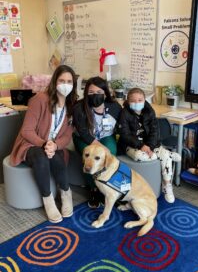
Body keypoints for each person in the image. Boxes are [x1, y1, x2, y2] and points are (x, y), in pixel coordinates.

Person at [10, 65, 78, 223]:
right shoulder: (39, 99)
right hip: (32, 145)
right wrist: (45, 144)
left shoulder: (72, 106)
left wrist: (54, 145)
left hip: (54, 146)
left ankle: (66, 193)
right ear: (55, 82)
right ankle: (48, 200)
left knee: (57, 158)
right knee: (41, 157)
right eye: (62, 80)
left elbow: (67, 136)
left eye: (69, 81)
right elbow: (26, 131)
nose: (65, 84)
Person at [118, 87, 181, 203]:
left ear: (144, 99)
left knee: (154, 155)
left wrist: (150, 147)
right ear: (128, 101)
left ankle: (167, 185)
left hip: (149, 145)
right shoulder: (124, 113)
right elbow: (125, 135)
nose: (137, 103)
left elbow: (154, 131)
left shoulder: (149, 110)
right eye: (133, 100)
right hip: (131, 146)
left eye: (140, 100)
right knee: (145, 156)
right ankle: (167, 154)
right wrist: (141, 146)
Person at [72, 76, 122, 208]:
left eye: (99, 92)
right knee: (89, 156)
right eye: (91, 93)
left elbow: (122, 125)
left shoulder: (114, 107)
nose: (95, 96)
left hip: (105, 136)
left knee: (111, 153)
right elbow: (83, 133)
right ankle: (94, 189)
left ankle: (108, 185)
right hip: (85, 138)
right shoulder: (79, 108)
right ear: (86, 93)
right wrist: (100, 147)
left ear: (105, 93)